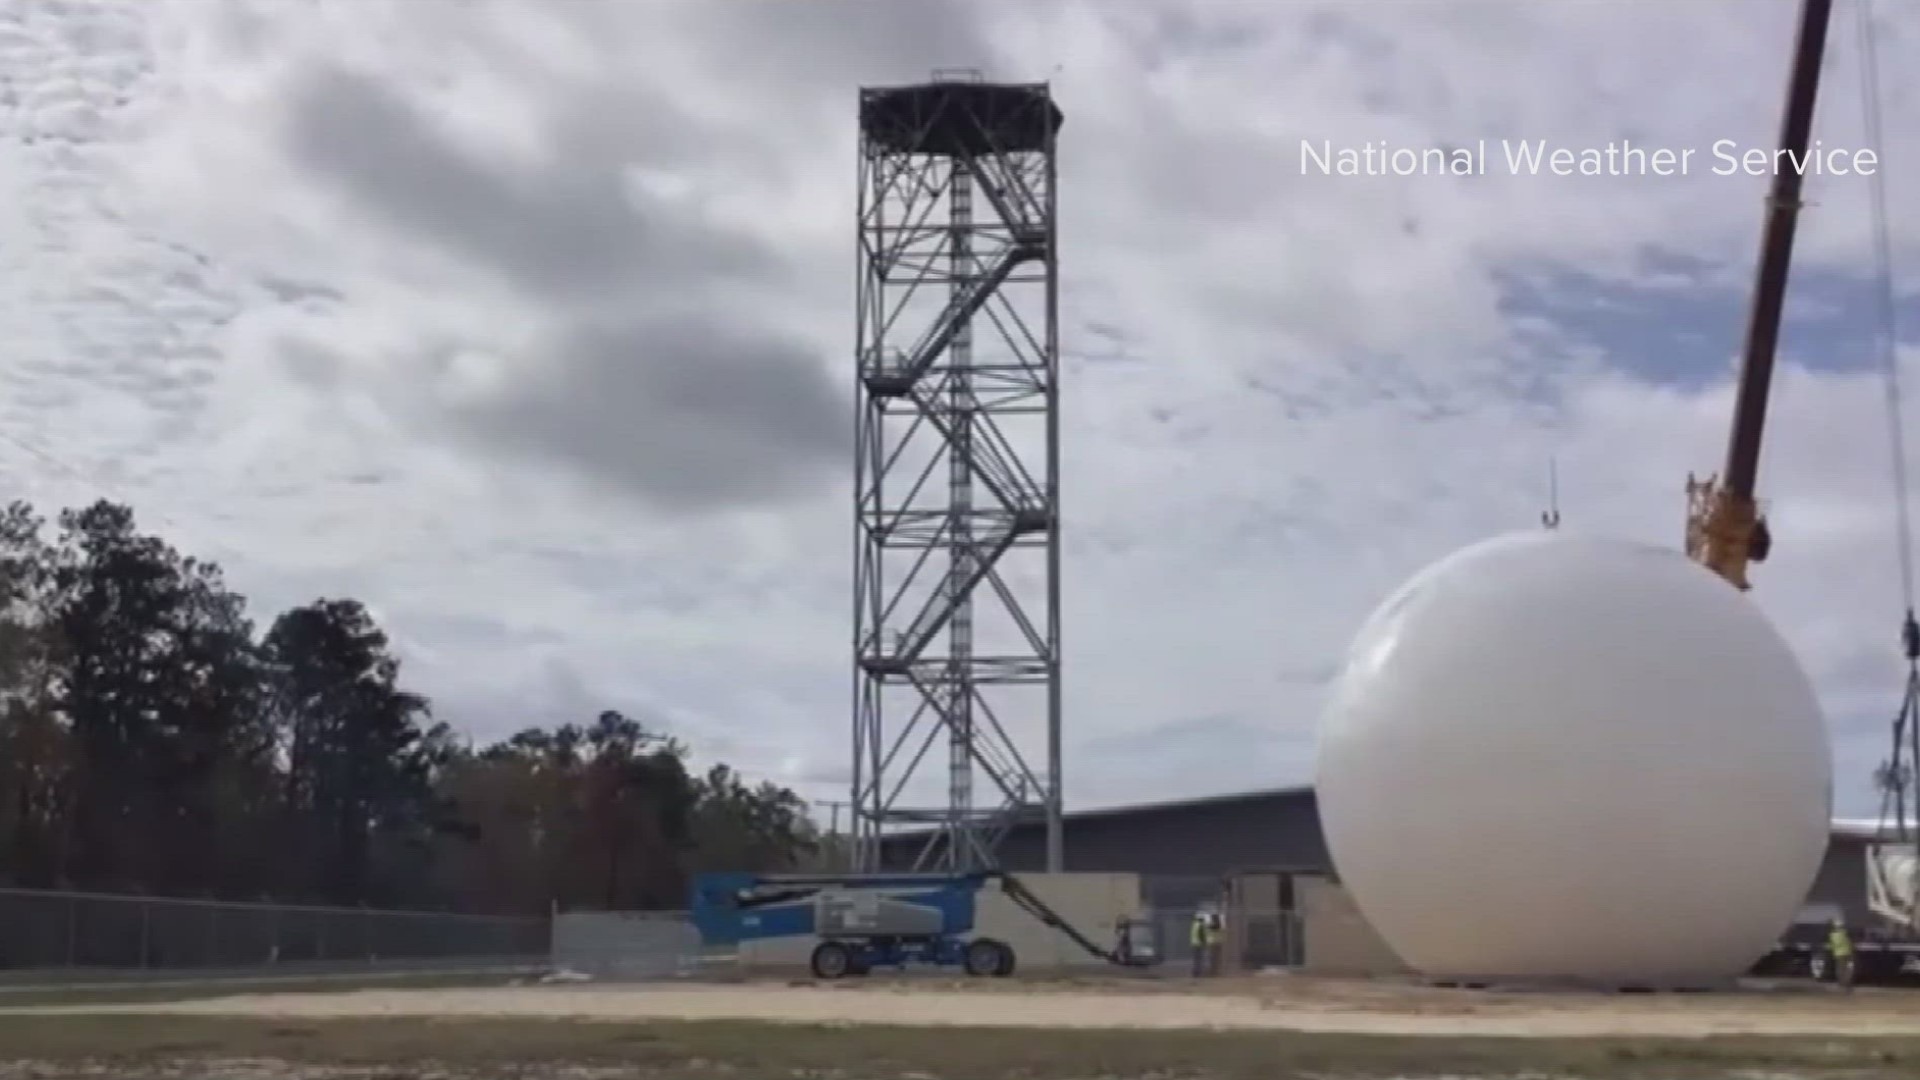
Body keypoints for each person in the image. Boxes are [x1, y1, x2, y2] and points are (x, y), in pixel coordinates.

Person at [1828, 918, 1855, 992]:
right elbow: (1849, 943)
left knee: (1840, 970)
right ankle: (1847, 984)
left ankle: (1842, 983)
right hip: (1847, 953)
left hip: (1838, 954)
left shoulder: (1832, 935)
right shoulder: (1845, 933)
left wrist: (1833, 953)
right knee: (1848, 969)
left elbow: (1832, 946)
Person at [1189, 910, 1210, 977]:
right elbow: (1202, 934)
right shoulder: (1199, 924)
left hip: (1195, 943)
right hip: (1198, 943)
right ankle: (1198, 972)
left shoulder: (1195, 923)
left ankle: (1197, 972)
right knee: (1199, 959)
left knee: (1197, 959)